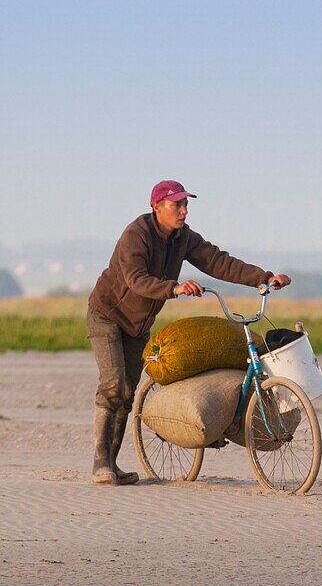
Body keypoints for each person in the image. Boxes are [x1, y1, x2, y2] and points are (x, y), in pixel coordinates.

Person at [86, 180, 291, 485]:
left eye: (186, 205)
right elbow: (135, 279)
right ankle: (100, 465)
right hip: (107, 315)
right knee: (114, 385)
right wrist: (174, 287)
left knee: (127, 393)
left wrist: (263, 277)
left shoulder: (183, 237)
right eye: (176, 205)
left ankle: (112, 467)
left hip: (138, 325)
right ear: (157, 207)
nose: (183, 211)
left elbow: (218, 261)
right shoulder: (136, 235)